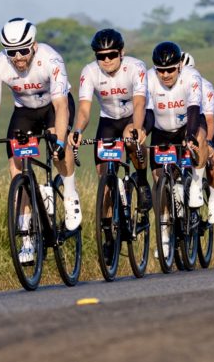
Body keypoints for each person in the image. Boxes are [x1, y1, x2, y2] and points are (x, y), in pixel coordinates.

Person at [0, 18, 80, 263]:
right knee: (16, 167)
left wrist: (60, 138)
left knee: (58, 145)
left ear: (33, 45)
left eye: (23, 50)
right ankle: (27, 239)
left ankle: (69, 194)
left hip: (55, 106)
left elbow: (60, 104)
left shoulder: (51, 59)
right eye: (12, 52)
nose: (18, 57)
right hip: (24, 111)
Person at [69, 29, 150, 258]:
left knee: (131, 137)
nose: (106, 60)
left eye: (111, 55)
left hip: (134, 115)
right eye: (101, 56)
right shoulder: (89, 72)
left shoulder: (135, 67)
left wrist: (136, 127)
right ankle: (108, 236)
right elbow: (84, 110)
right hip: (107, 121)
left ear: (121, 52)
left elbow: (139, 103)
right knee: (105, 180)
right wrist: (77, 130)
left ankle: (142, 182)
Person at [144, 42, 208, 257]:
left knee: (199, 136)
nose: (165, 75)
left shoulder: (191, 76)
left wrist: (189, 136)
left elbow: (193, 109)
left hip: (186, 126)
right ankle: (164, 232)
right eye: (160, 70)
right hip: (162, 131)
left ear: (179, 65)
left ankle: (197, 183)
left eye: (170, 69)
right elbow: (148, 113)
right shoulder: (148, 78)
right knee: (159, 180)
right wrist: (144, 130)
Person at [181, 52, 214, 224]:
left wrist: (210, 144)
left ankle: (213, 198)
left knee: (211, 163)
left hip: (206, 126)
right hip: (182, 127)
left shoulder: (205, 86)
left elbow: (210, 120)